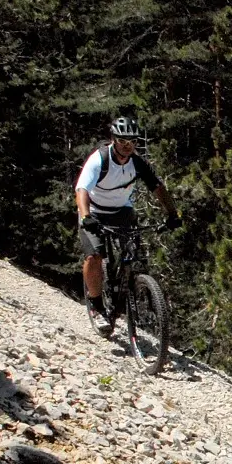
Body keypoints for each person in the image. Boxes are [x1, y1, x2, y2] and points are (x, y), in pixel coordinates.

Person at [75, 117, 180, 334]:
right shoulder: (99, 160)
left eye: (132, 141)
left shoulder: (137, 163)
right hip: (94, 211)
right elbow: (82, 190)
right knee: (94, 256)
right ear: (114, 140)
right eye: (123, 141)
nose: (128, 145)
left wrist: (172, 214)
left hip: (122, 212)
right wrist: (86, 217)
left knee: (132, 256)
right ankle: (96, 305)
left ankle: (126, 290)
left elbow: (158, 188)